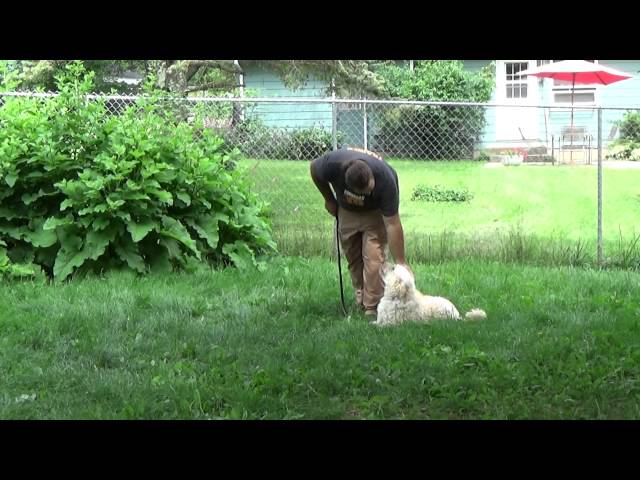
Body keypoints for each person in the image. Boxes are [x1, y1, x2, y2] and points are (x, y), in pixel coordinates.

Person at [310, 147, 412, 319]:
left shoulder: (386, 178)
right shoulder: (332, 165)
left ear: (372, 176)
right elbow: (314, 169)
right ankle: (362, 296)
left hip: (374, 215)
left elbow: (393, 224)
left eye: (370, 188)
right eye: (364, 192)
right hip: (346, 211)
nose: (369, 193)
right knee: (353, 258)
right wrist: (328, 199)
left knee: (374, 259)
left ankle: (372, 308)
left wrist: (401, 262)